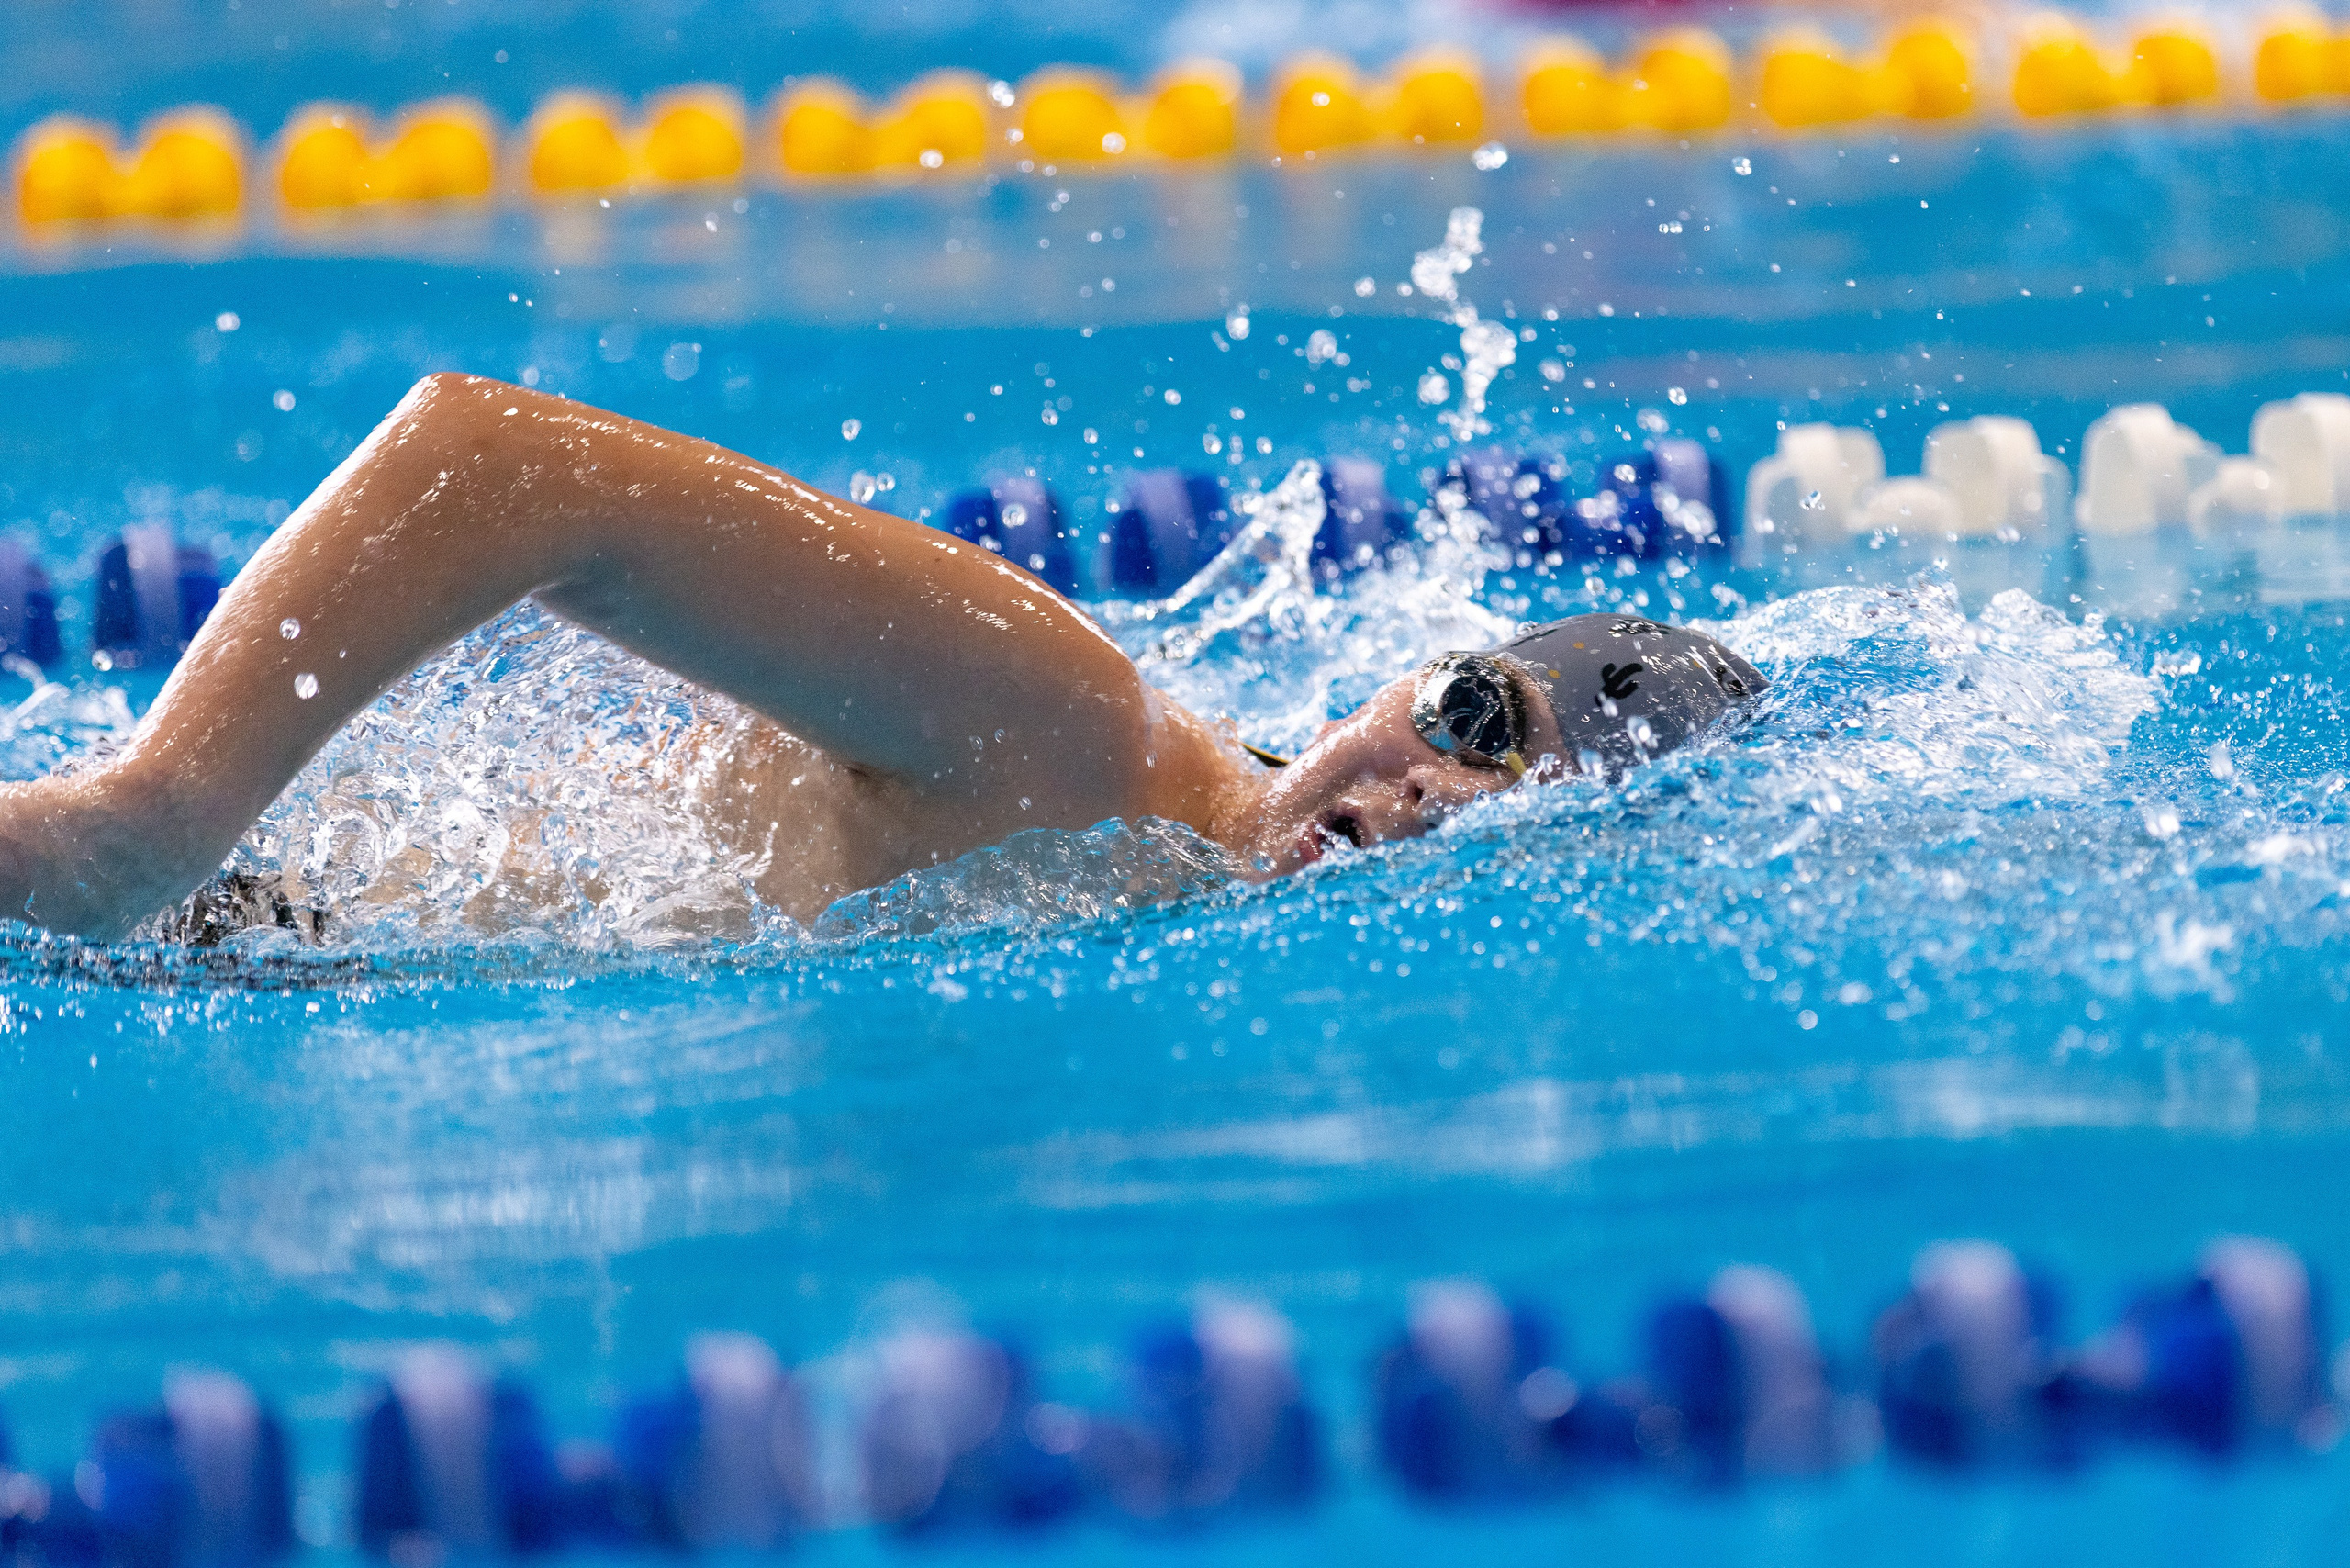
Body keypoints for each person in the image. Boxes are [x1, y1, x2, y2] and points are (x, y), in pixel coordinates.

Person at [0, 375, 1766, 941]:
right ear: (1404, 671)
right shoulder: (1075, 733)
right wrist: (142, 825)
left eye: (1503, 795)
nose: (1435, 792)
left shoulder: (1143, 886)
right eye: (1474, 714)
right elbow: (494, 460)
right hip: (208, 914)